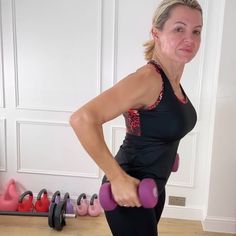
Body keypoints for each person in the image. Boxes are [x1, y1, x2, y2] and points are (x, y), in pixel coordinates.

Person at [70, 0, 203, 235]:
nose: (190, 39)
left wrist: (166, 148)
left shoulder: (173, 81)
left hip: (154, 188)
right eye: (179, 29)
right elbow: (82, 119)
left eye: (196, 31)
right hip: (130, 191)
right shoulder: (148, 79)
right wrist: (117, 178)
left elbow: (156, 124)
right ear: (156, 33)